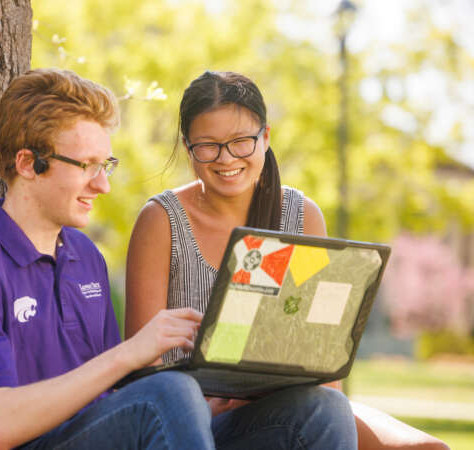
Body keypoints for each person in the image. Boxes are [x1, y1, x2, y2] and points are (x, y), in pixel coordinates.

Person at [124, 69, 449, 450]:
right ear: (187, 146)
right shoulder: (162, 220)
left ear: (266, 136)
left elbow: (318, 346)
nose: (226, 158)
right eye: (207, 145)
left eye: (241, 141)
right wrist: (206, 403)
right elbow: (143, 368)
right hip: (197, 416)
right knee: (321, 413)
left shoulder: (300, 216)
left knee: (428, 448)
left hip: (291, 401)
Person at [0, 68, 214, 450]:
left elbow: (113, 400)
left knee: (310, 409)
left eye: (106, 165)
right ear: (28, 164)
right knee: (169, 392)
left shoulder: (86, 256)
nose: (103, 185)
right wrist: (129, 354)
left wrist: (212, 398)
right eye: (87, 166)